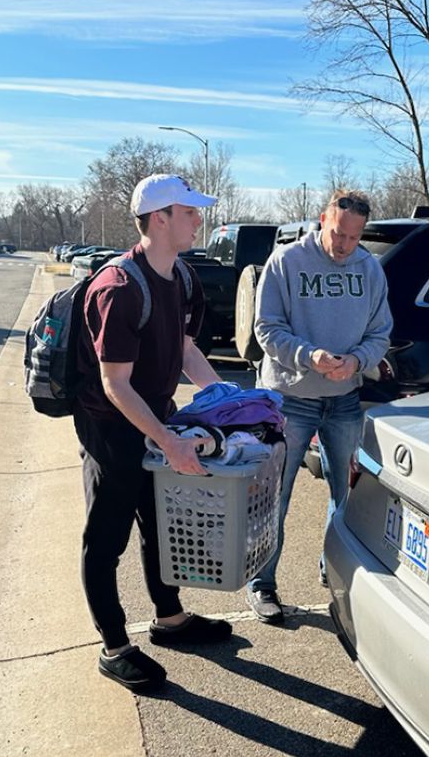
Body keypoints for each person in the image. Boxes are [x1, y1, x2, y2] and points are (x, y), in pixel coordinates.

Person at [74, 173, 232, 694]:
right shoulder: (118, 288)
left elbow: (185, 350)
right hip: (112, 430)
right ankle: (114, 647)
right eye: (189, 211)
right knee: (106, 540)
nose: (199, 218)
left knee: (160, 525)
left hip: (157, 419)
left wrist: (230, 400)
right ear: (160, 218)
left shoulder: (182, 277)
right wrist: (168, 441)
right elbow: (114, 383)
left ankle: (169, 620)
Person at [248, 189, 392, 623]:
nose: (344, 244)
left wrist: (357, 361)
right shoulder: (286, 262)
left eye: (353, 237)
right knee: (275, 496)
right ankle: (263, 584)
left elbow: (380, 332)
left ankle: (332, 569)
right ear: (322, 219)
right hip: (289, 400)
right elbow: (266, 329)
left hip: (344, 400)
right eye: (337, 233)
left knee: (345, 496)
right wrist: (309, 356)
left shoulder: (369, 269)